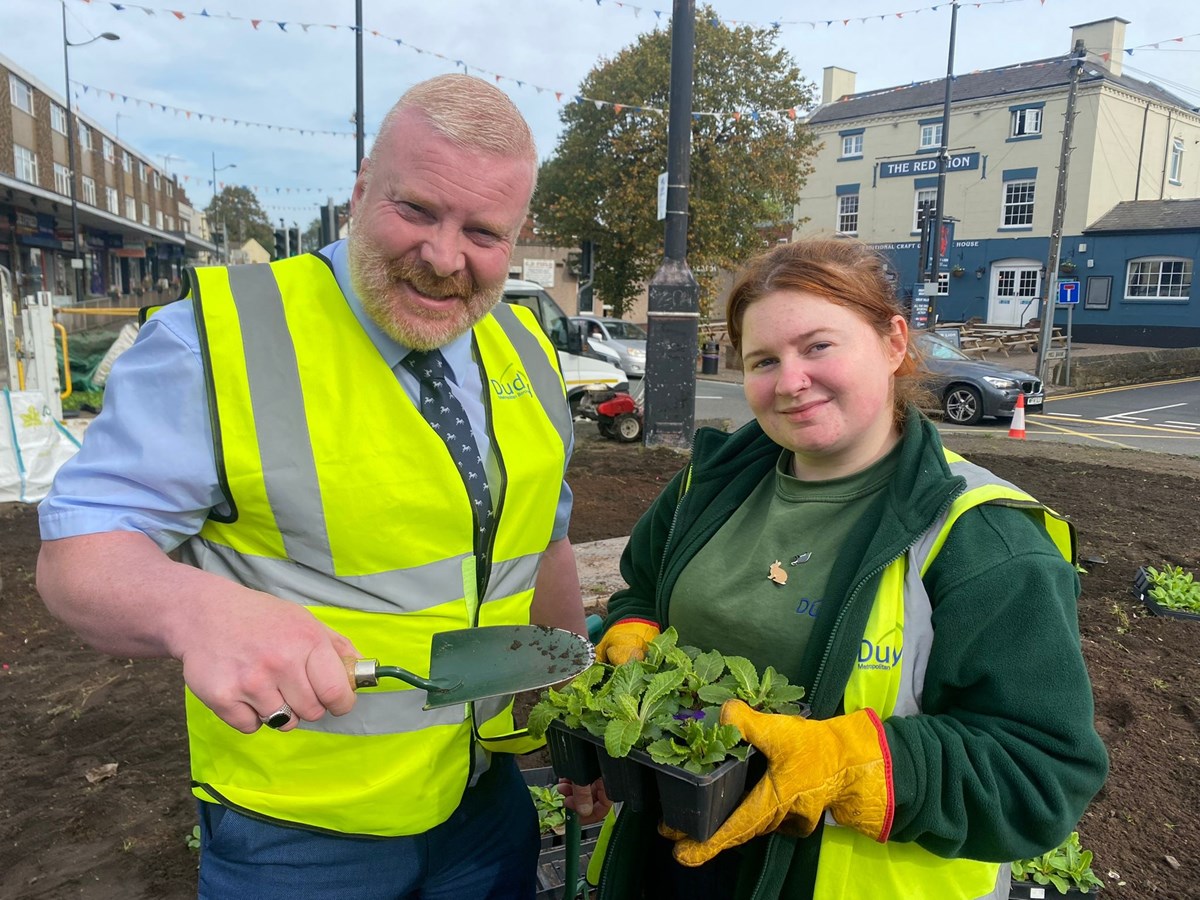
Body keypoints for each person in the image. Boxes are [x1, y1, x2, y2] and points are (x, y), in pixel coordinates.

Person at [37, 73, 586, 899]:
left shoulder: (527, 353)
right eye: (416, 210)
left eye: (483, 230)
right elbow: (78, 552)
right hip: (299, 838)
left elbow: (543, 544)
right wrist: (196, 610)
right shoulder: (217, 339)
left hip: (485, 802)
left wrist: (577, 727)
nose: (444, 258)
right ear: (360, 191)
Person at [581, 238, 1108, 899]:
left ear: (892, 342)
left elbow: (1043, 774)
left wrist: (853, 766)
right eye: (763, 360)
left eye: (818, 346)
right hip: (671, 859)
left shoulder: (983, 538)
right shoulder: (708, 488)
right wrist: (632, 628)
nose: (790, 380)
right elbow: (645, 592)